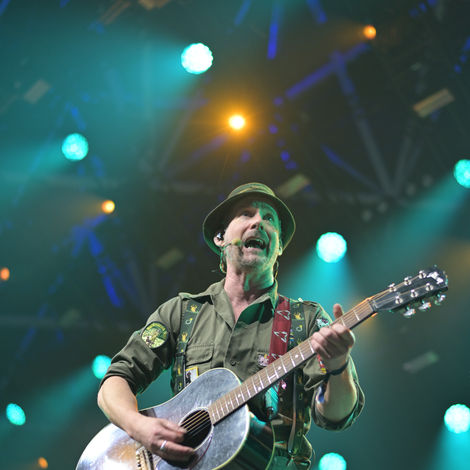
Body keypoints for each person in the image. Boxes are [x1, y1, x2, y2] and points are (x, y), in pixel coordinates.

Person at [97, 182, 364, 469]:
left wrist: (338, 366)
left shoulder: (306, 320)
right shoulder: (182, 312)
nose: (258, 223)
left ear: (279, 248)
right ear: (220, 238)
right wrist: (139, 426)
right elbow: (116, 380)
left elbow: (336, 416)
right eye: (246, 214)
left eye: (269, 219)